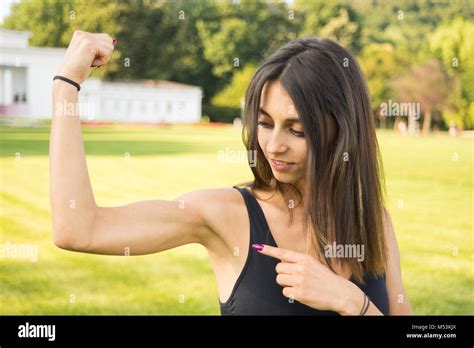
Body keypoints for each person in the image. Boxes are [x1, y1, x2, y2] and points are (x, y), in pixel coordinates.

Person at [49, 31, 413, 316]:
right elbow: (78, 229)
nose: (272, 145)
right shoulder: (226, 215)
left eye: (297, 130)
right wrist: (66, 84)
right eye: (265, 124)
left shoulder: (374, 223)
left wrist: (351, 302)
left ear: (342, 129)